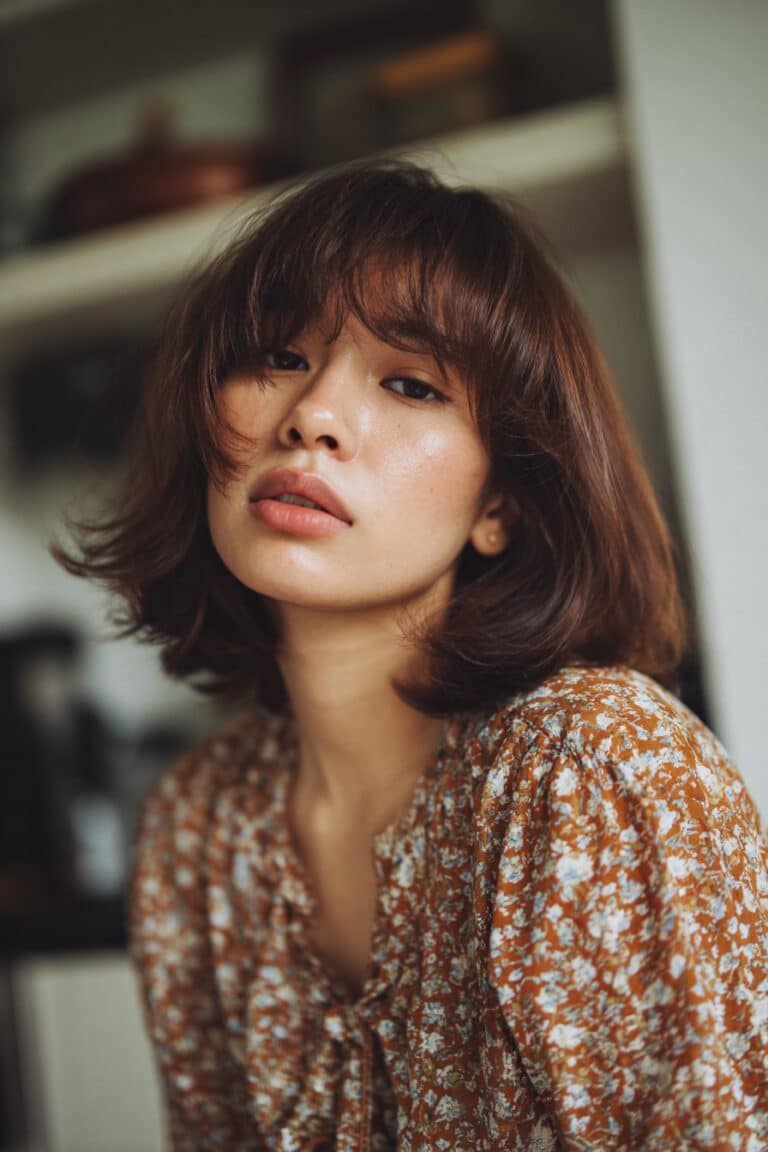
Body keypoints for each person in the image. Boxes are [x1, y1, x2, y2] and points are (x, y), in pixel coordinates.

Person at [52, 158, 768, 1152]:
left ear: (499, 505)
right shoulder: (198, 829)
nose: (313, 416)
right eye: (279, 356)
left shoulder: (593, 770)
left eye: (410, 383)